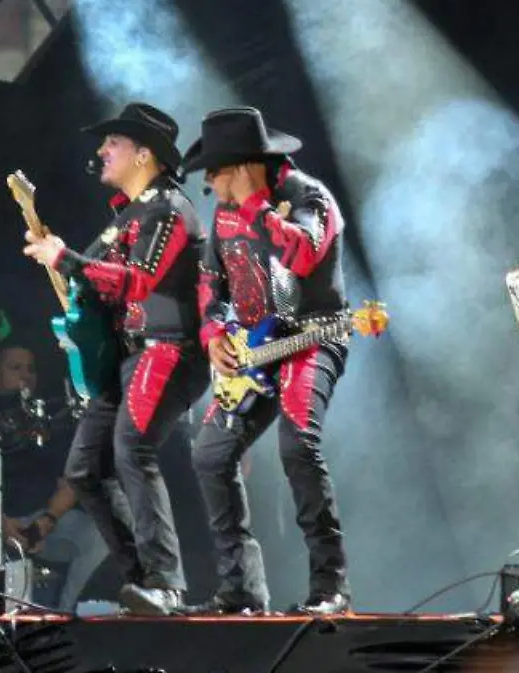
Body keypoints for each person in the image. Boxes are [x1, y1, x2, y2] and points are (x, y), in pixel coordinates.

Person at [22, 103, 209, 615]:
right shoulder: (124, 217)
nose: (102, 151)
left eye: (113, 143)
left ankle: (166, 583)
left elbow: (140, 282)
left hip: (168, 349)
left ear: (144, 154)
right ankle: (142, 581)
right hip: (126, 359)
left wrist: (65, 259)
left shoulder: (169, 209)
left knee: (133, 450)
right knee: (85, 470)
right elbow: (94, 286)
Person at [178, 106, 352, 616]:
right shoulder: (223, 214)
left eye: (215, 173)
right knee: (210, 455)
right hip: (256, 350)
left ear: (243, 167)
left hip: (314, 337)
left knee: (298, 445)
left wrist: (256, 202)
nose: (210, 186)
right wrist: (214, 334)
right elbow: (210, 283)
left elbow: (303, 256)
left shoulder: (309, 197)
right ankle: (242, 591)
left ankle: (331, 588)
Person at [0, 342, 108, 612]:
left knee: (98, 535)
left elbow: (70, 482)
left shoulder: (50, 419)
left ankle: (69, 613)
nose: (25, 375)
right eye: (15, 368)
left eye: (31, 369)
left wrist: (48, 520)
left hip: (40, 521)